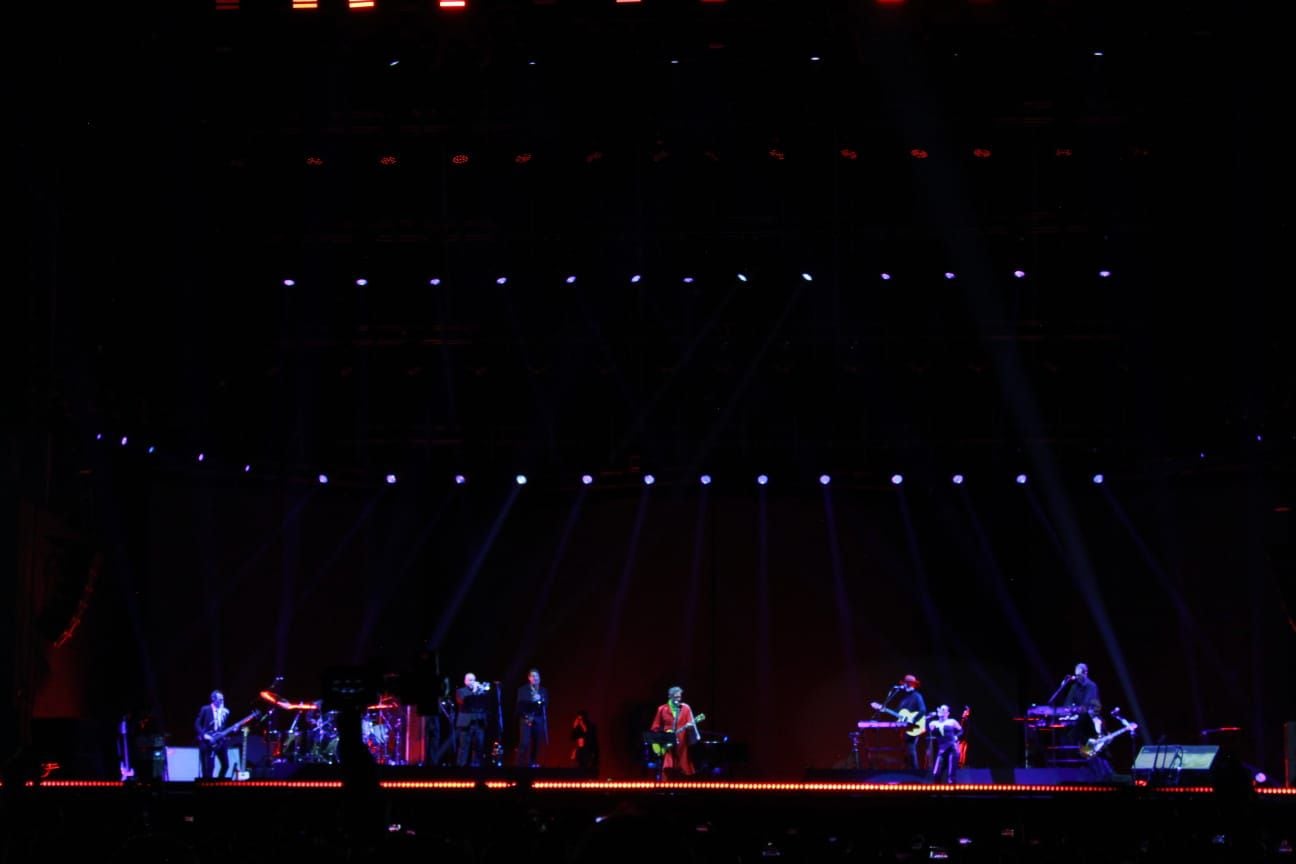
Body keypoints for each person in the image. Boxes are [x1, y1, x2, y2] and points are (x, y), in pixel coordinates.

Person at [649, 686, 698, 777]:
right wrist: (659, 745)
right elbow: (654, 729)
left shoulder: (686, 708)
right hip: (667, 748)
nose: (678, 700)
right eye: (676, 697)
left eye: (680, 697)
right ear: (670, 697)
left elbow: (692, 730)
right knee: (667, 773)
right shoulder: (662, 709)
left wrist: (690, 728)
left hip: (682, 748)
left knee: (684, 772)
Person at [1053, 663, 1102, 745]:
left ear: (1085, 673)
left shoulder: (1092, 686)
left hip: (1091, 719)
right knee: (1064, 734)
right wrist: (1066, 710)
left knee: (1080, 735)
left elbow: (1086, 705)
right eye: (1076, 675)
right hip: (1078, 717)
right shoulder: (1074, 687)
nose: (1077, 677)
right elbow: (1067, 703)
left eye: (1079, 675)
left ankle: (1087, 751)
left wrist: (1074, 709)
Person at [885, 674, 927, 770]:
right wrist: (885, 709)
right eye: (905, 683)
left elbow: (923, 710)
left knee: (910, 748)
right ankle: (908, 771)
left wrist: (913, 720)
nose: (905, 685)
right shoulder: (904, 699)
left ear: (911, 684)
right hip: (905, 728)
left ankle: (915, 772)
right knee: (906, 750)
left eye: (907, 683)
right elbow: (897, 712)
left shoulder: (917, 696)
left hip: (913, 726)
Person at [455, 673, 491, 767]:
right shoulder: (460, 691)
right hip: (465, 724)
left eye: (473, 680)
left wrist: (482, 691)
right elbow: (463, 701)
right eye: (470, 680)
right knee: (464, 747)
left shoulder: (481, 692)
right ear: (465, 681)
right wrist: (475, 691)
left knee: (478, 746)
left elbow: (487, 702)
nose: (472, 682)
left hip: (479, 722)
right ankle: (460, 768)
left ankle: (476, 767)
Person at [194, 690, 231, 779]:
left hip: (220, 742)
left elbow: (223, 727)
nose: (222, 701)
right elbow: (197, 723)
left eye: (223, 699)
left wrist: (233, 729)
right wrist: (204, 735)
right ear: (213, 699)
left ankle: (219, 783)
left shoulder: (224, 712)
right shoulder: (205, 709)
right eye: (220, 699)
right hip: (209, 742)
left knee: (225, 765)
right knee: (209, 768)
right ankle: (209, 786)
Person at [515, 668, 549, 767]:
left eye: (537, 676)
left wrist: (541, 699)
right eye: (533, 676)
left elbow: (546, 705)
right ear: (529, 678)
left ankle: (533, 762)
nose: (535, 678)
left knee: (536, 742)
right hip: (526, 718)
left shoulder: (543, 690)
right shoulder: (522, 690)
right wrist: (526, 717)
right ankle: (520, 764)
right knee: (524, 742)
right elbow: (519, 705)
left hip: (538, 719)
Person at [928, 705, 963, 784]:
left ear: (948, 713)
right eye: (940, 709)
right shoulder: (933, 723)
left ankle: (952, 793)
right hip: (942, 749)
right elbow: (934, 733)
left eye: (943, 709)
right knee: (936, 773)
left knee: (951, 775)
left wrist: (956, 737)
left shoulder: (952, 721)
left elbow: (961, 731)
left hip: (952, 748)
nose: (941, 710)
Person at [570, 709, 599, 776]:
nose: (579, 721)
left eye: (581, 719)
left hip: (588, 750)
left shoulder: (591, 726)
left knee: (587, 768)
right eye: (578, 719)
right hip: (580, 751)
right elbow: (572, 738)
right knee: (578, 767)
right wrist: (574, 727)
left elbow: (590, 736)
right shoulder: (577, 728)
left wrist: (583, 726)